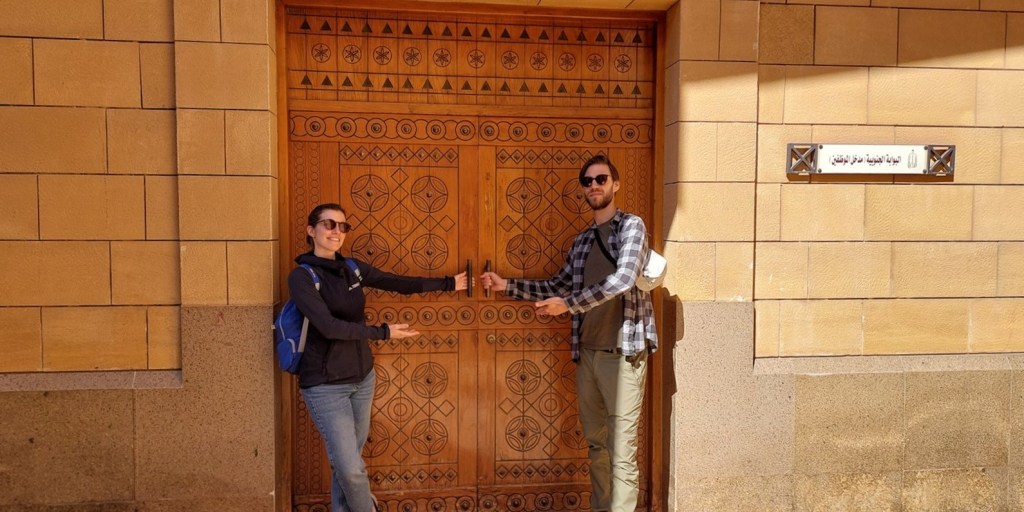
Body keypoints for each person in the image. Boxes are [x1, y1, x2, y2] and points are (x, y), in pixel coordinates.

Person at [480, 154, 657, 512]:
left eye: (601, 179)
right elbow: (558, 286)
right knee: (596, 445)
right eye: (587, 181)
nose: (594, 186)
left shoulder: (631, 227)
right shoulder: (582, 241)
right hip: (588, 354)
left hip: (623, 355)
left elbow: (623, 280)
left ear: (615, 184)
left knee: (622, 452)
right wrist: (507, 286)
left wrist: (570, 305)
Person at [288, 203, 469, 512]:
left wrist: (450, 283)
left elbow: (398, 283)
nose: (336, 231)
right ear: (311, 230)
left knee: (348, 464)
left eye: (342, 226)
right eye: (329, 224)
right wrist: (383, 332)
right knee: (350, 467)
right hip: (325, 385)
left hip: (362, 379)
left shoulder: (352, 269)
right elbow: (329, 327)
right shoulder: (302, 277)